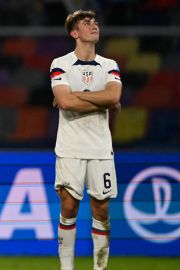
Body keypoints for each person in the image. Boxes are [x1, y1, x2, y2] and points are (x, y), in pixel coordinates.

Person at [49, 10, 122, 270]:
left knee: (101, 210)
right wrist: (101, 101)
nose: (94, 25)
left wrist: (78, 97)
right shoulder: (60, 63)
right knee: (68, 207)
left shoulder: (110, 65)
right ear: (74, 33)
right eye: (86, 23)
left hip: (101, 147)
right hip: (70, 146)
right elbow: (67, 103)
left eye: (95, 22)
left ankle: (99, 268)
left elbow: (110, 97)